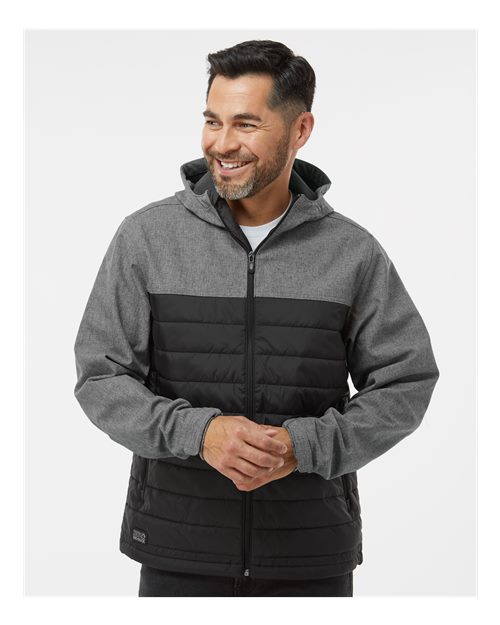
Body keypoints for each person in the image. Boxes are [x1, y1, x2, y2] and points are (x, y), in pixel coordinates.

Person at [73, 39, 440, 597]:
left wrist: (304, 446)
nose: (222, 143)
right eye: (212, 121)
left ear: (300, 129)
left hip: (309, 555)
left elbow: (406, 381)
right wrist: (200, 433)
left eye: (246, 124)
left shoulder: (351, 253)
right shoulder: (148, 238)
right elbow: (100, 377)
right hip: (178, 548)